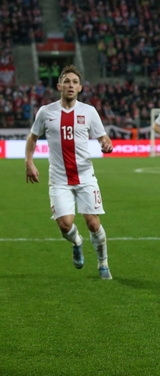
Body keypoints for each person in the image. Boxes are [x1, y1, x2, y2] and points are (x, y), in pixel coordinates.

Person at [25, 65, 114, 279]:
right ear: (59, 86)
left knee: (93, 222)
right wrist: (29, 161)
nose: (70, 85)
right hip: (59, 179)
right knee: (65, 224)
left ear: (80, 87)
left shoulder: (89, 111)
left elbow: (103, 137)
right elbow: (32, 138)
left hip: (85, 176)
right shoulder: (46, 112)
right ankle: (77, 242)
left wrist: (106, 143)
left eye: (74, 81)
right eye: (67, 81)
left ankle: (103, 263)